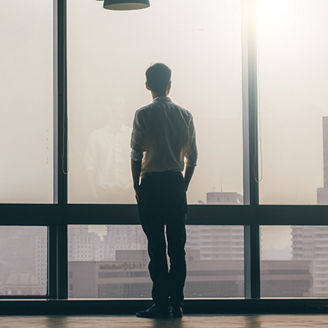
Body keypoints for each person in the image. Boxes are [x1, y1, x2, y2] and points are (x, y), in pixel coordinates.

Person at [130, 63, 198, 318]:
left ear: (148, 85)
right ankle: (177, 304)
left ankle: (160, 304)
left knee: (156, 248)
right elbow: (193, 158)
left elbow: (136, 153)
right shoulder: (185, 115)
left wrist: (136, 185)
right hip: (174, 183)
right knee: (177, 248)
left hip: (151, 185)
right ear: (170, 84)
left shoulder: (143, 114)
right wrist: (183, 184)